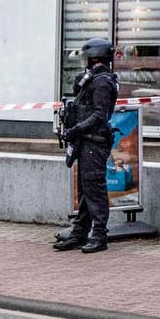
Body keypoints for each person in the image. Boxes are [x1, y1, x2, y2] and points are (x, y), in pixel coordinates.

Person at [54, 38, 118, 254]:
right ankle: (80, 232)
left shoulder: (102, 82)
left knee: (94, 188)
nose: (85, 62)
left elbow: (100, 115)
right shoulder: (92, 79)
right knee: (85, 189)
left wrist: (77, 129)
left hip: (94, 141)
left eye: (87, 57)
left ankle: (99, 235)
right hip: (86, 140)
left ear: (95, 57)